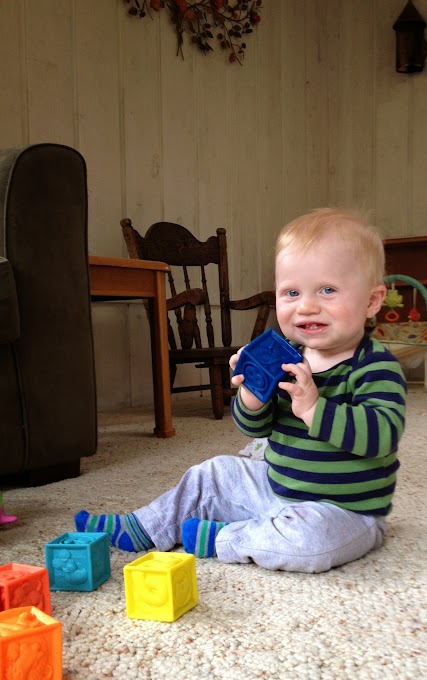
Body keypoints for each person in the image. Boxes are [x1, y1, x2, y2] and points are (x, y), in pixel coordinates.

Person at [75, 208, 407, 572]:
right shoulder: (285, 357)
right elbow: (257, 429)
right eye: (291, 292)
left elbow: (382, 436)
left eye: (327, 290)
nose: (307, 306)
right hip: (275, 487)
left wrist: (315, 409)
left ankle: (227, 537)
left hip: (344, 511)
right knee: (213, 473)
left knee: (309, 544)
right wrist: (251, 398)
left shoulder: (374, 366)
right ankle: (147, 525)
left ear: (372, 301)